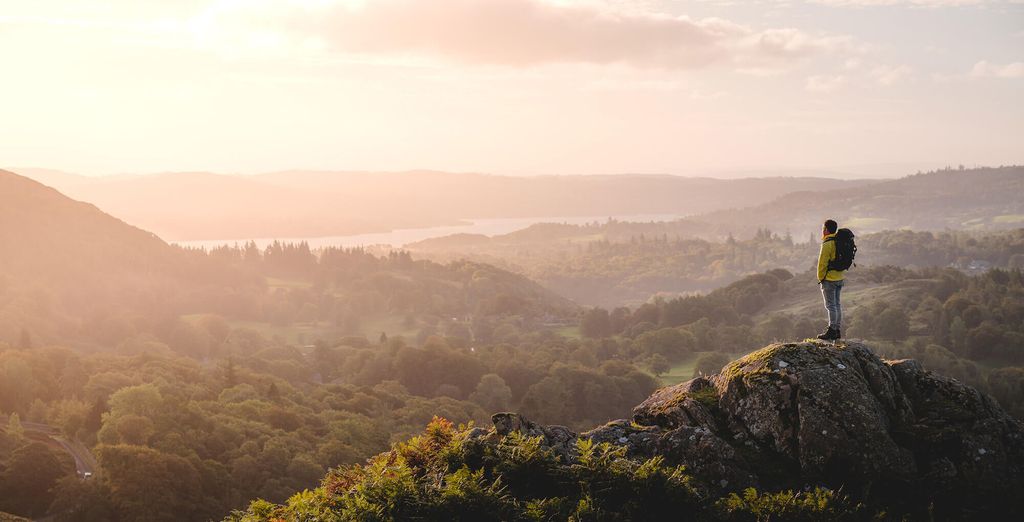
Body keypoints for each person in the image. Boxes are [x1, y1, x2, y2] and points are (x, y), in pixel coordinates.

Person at [816, 219, 844, 340]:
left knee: (830, 306)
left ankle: (832, 330)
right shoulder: (839, 241)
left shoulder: (827, 243)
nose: (822, 230)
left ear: (826, 230)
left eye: (823, 228)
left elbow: (822, 263)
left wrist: (820, 277)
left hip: (829, 279)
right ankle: (837, 329)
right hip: (839, 277)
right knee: (837, 304)